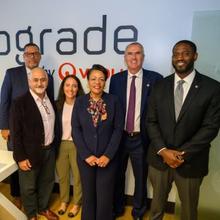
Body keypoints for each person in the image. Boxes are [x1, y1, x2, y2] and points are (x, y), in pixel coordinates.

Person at [146, 40, 220, 220]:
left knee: (188, 210)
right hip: (159, 159)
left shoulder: (212, 88)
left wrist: (181, 154)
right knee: (156, 208)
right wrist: (163, 151)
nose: (180, 57)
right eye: (176, 53)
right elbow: (151, 121)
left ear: (195, 56)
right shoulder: (159, 86)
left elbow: (210, 128)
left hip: (191, 162)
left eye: (185, 53)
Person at [109, 42, 163, 220]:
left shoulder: (155, 79)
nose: (134, 57)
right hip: (120, 137)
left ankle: (138, 212)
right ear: (125, 58)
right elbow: (112, 110)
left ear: (143, 57)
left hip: (142, 139)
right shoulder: (116, 80)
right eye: (130, 54)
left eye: (138, 53)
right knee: (117, 175)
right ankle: (117, 208)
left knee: (141, 178)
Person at [0, 43, 54, 209]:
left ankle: (37, 202)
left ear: (39, 56)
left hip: (40, 134)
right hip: (16, 130)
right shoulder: (12, 73)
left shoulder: (47, 77)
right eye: (28, 54)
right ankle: (17, 196)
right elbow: (4, 101)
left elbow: (49, 102)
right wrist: (4, 126)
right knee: (19, 163)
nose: (32, 56)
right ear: (23, 56)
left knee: (39, 170)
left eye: (35, 54)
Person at [72, 64, 123, 220]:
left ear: (105, 81)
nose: (97, 82)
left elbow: (118, 130)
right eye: (93, 79)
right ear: (87, 81)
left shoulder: (114, 101)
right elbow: (76, 129)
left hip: (107, 160)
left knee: (105, 197)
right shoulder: (80, 101)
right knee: (88, 196)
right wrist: (86, 155)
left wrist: (107, 155)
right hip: (86, 159)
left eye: (101, 79)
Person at [10, 67, 59, 220]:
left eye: (43, 79)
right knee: (28, 186)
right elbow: (16, 133)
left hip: (49, 150)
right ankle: (31, 215)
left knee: (47, 182)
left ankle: (43, 208)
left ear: (47, 81)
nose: (40, 83)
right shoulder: (20, 102)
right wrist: (20, 157)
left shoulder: (49, 98)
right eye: (36, 80)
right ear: (29, 82)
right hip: (29, 153)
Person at [55, 75, 84, 217]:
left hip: (77, 145)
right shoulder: (56, 105)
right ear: (63, 87)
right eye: (67, 85)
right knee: (63, 176)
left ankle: (77, 203)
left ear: (78, 88)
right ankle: (64, 201)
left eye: (74, 85)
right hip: (61, 144)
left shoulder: (83, 104)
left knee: (78, 176)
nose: (70, 88)